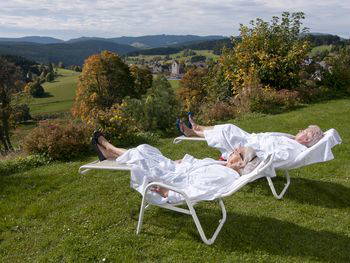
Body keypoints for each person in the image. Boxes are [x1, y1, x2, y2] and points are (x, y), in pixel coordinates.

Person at [92, 132, 261, 204]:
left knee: (141, 154)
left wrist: (167, 192)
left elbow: (198, 189)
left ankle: (109, 147)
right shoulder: (224, 167)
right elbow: (199, 165)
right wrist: (183, 162)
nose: (233, 151)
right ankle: (110, 153)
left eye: (237, 152)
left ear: (241, 164)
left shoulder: (225, 176)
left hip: (172, 181)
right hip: (176, 170)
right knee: (146, 149)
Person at [178, 115, 324, 169]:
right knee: (229, 127)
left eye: (303, 131)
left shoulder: (293, 149)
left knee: (226, 131)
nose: (300, 130)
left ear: (306, 139)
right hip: (253, 139)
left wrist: (252, 150)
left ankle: (194, 132)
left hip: (251, 149)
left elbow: (275, 157)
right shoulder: (291, 140)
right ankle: (198, 128)